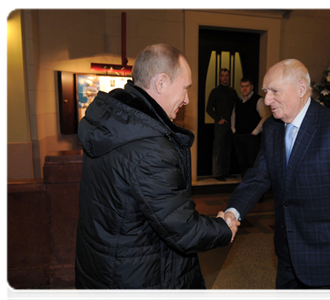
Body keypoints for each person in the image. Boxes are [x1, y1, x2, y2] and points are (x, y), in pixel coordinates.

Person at [75, 44, 240, 300]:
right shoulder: (149, 147)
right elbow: (182, 228)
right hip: (136, 280)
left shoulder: (114, 123)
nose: (186, 99)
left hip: (105, 268)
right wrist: (223, 228)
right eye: (185, 88)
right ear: (161, 83)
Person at [222, 59, 330, 299]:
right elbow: (258, 176)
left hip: (328, 259)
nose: (267, 100)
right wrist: (233, 212)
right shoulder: (273, 128)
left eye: (275, 91)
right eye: (265, 92)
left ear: (301, 89)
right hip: (287, 254)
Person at [231, 77, 271, 178]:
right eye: (242, 86)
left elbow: (266, 117)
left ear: (252, 87)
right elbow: (233, 116)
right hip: (239, 137)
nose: (244, 89)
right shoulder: (238, 101)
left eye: (247, 86)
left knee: (253, 165)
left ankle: (256, 192)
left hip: (252, 138)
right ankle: (246, 189)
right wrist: (233, 130)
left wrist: (255, 132)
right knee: (243, 165)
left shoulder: (258, 100)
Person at [206, 68, 238, 181]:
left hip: (231, 124)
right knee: (218, 149)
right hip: (220, 124)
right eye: (223, 75)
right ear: (219, 77)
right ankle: (217, 173)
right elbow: (208, 109)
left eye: (227, 75)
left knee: (227, 149)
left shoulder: (233, 91)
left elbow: (237, 107)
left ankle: (225, 172)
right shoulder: (215, 91)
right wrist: (218, 119)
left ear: (229, 77)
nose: (225, 77)